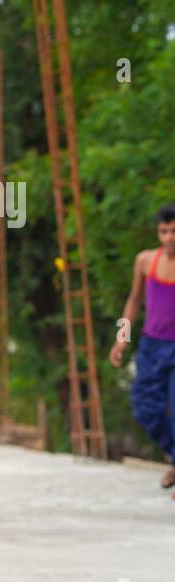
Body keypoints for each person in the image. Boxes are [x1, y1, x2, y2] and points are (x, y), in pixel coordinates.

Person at [110, 204, 175, 495]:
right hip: (151, 345)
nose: (169, 237)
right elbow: (134, 300)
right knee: (144, 407)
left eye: (174, 231)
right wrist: (122, 337)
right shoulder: (146, 261)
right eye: (164, 231)